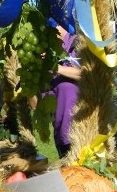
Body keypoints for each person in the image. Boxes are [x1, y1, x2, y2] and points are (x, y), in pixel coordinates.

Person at [29, 25, 80, 157]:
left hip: (83, 130)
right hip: (62, 138)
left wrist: (56, 67)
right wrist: (31, 76)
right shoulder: (43, 52)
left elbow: (90, 74)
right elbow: (34, 105)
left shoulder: (79, 44)